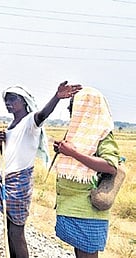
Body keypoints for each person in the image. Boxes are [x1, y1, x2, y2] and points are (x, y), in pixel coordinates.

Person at [0, 81, 81, 257]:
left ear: (24, 101)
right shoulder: (11, 126)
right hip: (7, 180)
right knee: (9, 229)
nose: (8, 103)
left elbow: (42, 115)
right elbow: (8, 157)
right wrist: (1, 143)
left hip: (19, 183)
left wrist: (57, 97)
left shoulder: (30, 121)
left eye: (13, 99)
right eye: (6, 100)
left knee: (16, 232)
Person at [52, 87, 119, 258]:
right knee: (79, 251)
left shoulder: (102, 134)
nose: (71, 112)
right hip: (71, 204)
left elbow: (111, 166)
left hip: (87, 208)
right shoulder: (79, 133)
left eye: (76, 107)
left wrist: (73, 153)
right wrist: (63, 150)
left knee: (87, 254)